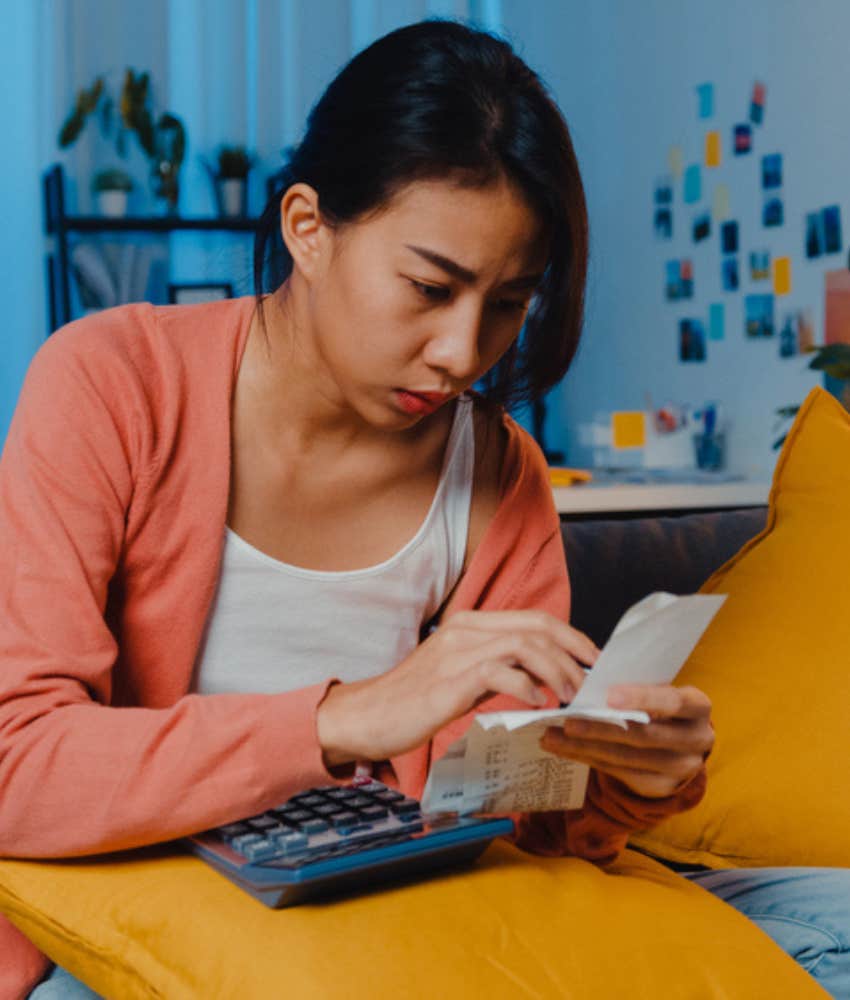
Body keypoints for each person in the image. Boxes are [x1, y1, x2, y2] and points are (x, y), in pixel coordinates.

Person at [0, 18, 845, 1000]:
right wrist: (343, 719)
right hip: (142, 913)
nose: (461, 351)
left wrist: (625, 782)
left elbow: (506, 820)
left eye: (506, 301)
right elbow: (18, 763)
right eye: (428, 286)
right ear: (307, 227)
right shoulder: (111, 384)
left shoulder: (498, 473)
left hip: (408, 910)